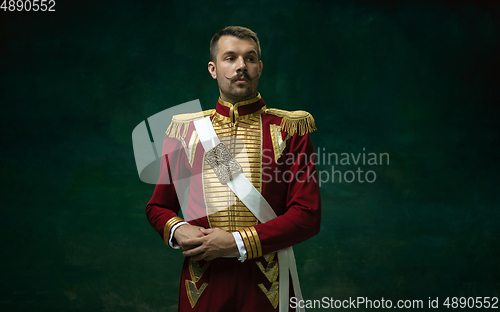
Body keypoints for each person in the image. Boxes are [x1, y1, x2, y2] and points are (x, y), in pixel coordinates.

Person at [146, 26, 321, 312]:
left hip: (267, 284)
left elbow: (307, 215)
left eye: (249, 58)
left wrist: (235, 242)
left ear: (260, 67)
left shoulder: (289, 129)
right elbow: (158, 207)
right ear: (213, 69)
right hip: (201, 283)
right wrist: (178, 229)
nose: (241, 66)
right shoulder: (186, 131)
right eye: (230, 58)